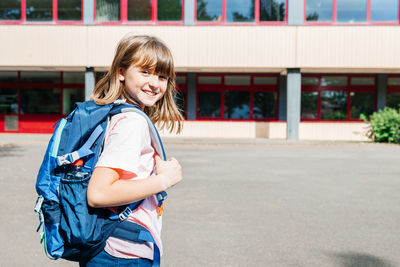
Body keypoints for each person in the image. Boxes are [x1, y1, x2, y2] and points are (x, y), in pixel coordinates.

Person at [80, 34, 184, 266]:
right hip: (122, 252)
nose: (155, 83)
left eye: (162, 76)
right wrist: (163, 180)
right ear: (121, 72)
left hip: (109, 245)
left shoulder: (114, 112)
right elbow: (99, 194)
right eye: (145, 72)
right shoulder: (131, 122)